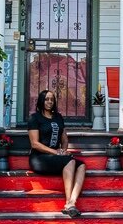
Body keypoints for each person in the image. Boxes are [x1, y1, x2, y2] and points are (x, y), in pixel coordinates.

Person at [27, 89, 86, 217]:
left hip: (55, 157)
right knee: (70, 161)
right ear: (42, 101)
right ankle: (69, 203)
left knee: (81, 165)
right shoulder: (35, 118)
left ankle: (72, 201)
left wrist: (64, 150)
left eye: (52, 99)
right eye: (47, 99)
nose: (50, 102)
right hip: (39, 158)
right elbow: (35, 144)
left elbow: (64, 137)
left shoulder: (58, 117)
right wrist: (56, 152)